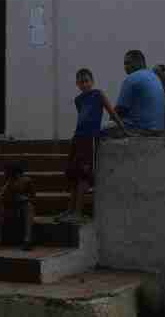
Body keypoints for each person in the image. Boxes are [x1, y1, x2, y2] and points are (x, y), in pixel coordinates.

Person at [58, 67, 126, 224]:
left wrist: (124, 129)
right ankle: (70, 209)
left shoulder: (98, 94)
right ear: (77, 84)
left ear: (92, 81)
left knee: (83, 175)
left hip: (90, 139)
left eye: (87, 81)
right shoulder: (78, 100)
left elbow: (112, 113)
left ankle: (78, 212)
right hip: (78, 138)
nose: (84, 84)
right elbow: (81, 119)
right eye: (81, 82)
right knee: (73, 174)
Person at [102, 49, 165, 137]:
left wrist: (110, 121)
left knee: (101, 129)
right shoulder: (154, 77)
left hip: (140, 129)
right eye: (124, 64)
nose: (125, 67)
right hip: (158, 130)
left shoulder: (131, 78)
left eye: (128, 63)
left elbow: (120, 110)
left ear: (139, 63)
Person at [0, 161, 36, 250]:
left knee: (29, 206)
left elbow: (33, 197)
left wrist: (24, 198)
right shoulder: (8, 183)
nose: (5, 174)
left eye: (7, 172)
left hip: (22, 208)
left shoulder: (27, 181)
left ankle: (27, 240)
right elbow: (1, 199)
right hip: (7, 208)